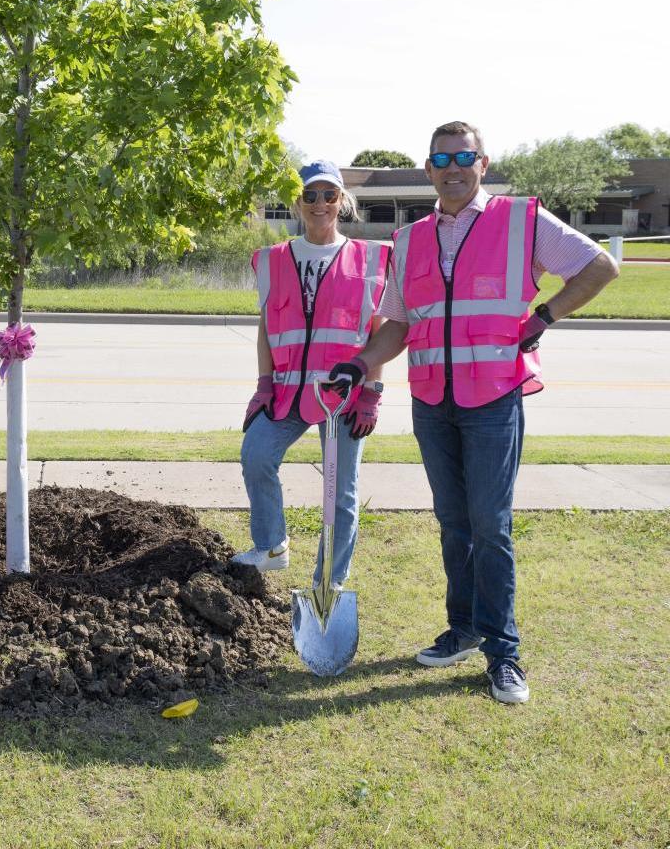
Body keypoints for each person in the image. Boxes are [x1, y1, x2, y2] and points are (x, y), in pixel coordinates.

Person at [327, 120, 619, 704]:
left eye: (465, 156)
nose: (453, 167)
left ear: (483, 163)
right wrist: (360, 365)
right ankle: (462, 629)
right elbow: (402, 326)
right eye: (441, 158)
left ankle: (503, 652)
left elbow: (600, 266)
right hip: (434, 402)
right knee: (453, 523)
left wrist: (544, 317)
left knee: (490, 526)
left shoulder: (521, 221)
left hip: (493, 401)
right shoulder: (409, 241)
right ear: (429, 169)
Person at [231, 160, 390, 588]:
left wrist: (372, 392)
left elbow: (376, 331)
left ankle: (330, 582)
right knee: (256, 455)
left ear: (342, 202)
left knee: (341, 495)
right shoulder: (273, 260)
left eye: (329, 195)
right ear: (298, 202)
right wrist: (264, 385)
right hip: (286, 394)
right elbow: (267, 327)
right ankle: (271, 546)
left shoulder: (370, 259)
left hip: (343, 397)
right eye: (310, 195)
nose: (320, 204)